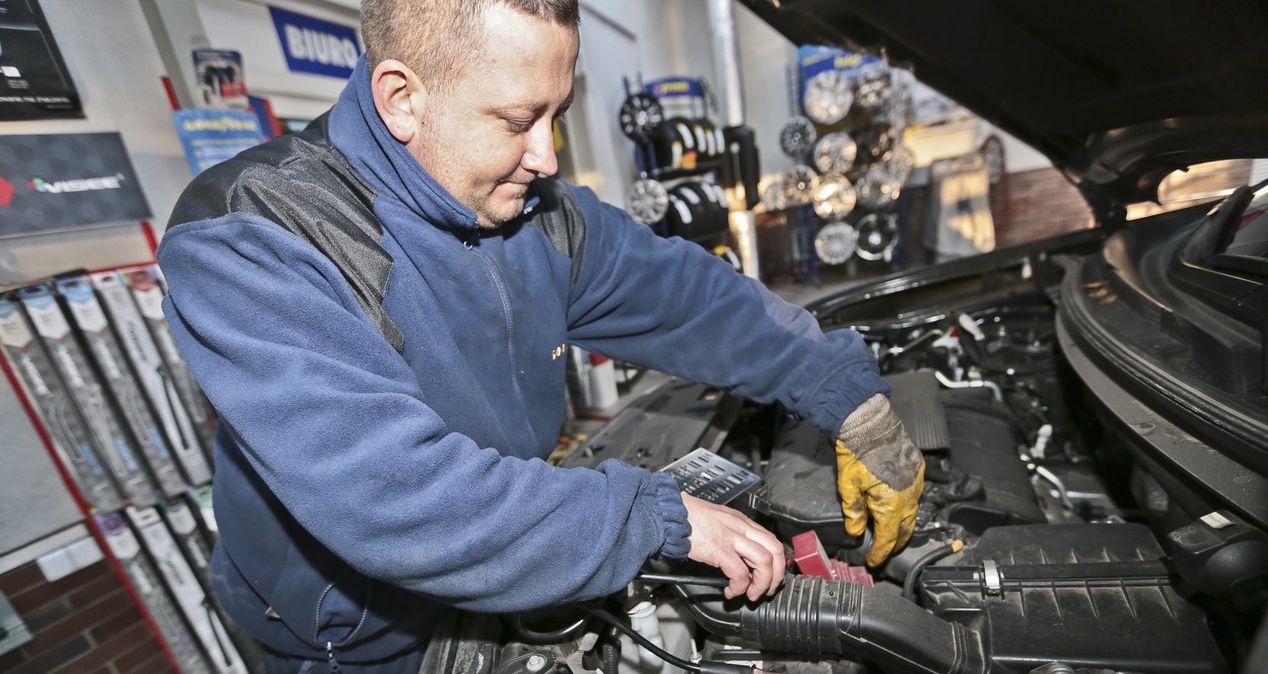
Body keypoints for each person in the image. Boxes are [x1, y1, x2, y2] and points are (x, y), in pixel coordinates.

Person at [156, 0, 924, 671]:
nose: (548, 155)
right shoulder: (253, 235)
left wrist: (841, 391)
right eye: (519, 119)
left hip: (521, 565)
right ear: (401, 99)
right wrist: (653, 517)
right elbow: (395, 494)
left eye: (557, 113)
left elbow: (690, 299)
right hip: (365, 642)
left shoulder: (537, 213)